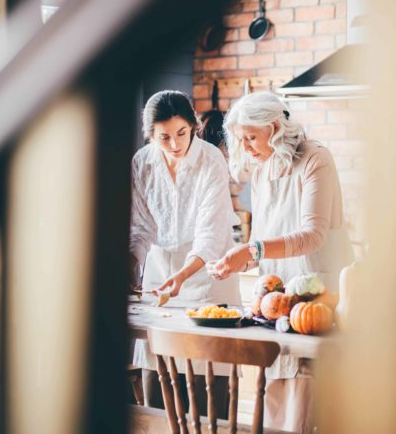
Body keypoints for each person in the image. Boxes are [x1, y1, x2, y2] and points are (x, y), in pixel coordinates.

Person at [208, 92, 354, 433]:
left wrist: (252, 250)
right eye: (240, 140)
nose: (245, 148)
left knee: (309, 406)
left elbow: (312, 236)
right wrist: (238, 262)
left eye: (251, 138)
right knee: (276, 406)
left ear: (273, 128)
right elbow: (264, 237)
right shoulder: (261, 172)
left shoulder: (316, 159)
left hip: (317, 299)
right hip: (275, 305)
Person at [129, 90, 240, 415]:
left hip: (208, 283)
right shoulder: (142, 162)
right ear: (150, 135)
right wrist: (130, 265)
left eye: (181, 133)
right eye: (164, 137)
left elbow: (209, 235)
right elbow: (140, 228)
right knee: (157, 390)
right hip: (160, 282)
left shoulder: (211, 160)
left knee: (209, 396)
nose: (175, 144)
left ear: (192, 125)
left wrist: (182, 276)